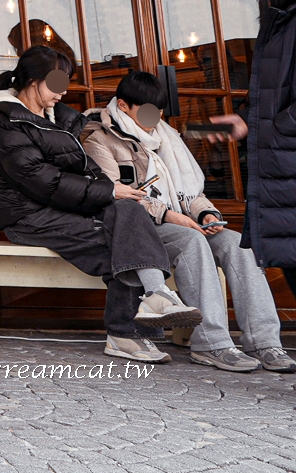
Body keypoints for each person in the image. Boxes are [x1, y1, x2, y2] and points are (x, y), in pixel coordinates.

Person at [0, 46, 200, 363]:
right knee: (120, 242)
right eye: (57, 82)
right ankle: (125, 332)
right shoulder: (5, 122)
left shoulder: (60, 119)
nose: (63, 91)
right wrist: (108, 193)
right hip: (27, 216)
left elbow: (86, 170)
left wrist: (113, 189)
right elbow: (41, 181)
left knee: (127, 214)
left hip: (65, 208)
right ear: (33, 79)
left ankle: (154, 298)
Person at [82, 70, 294, 372]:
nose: (153, 118)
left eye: (157, 111)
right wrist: (169, 215)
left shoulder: (167, 137)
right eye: (145, 111)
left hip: (182, 220)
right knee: (192, 242)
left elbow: (190, 193)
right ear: (123, 105)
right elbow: (119, 196)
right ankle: (213, 343)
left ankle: (265, 342)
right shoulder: (100, 139)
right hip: (143, 228)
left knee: (238, 243)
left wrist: (206, 213)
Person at [212, 0, 296, 336]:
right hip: (282, 171)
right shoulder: (276, 25)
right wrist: (246, 118)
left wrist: (274, 131)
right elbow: (273, 95)